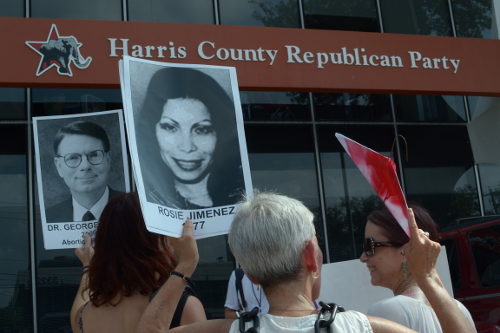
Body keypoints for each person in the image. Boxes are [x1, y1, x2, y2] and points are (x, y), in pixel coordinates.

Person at [135, 192, 476, 333]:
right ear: (311, 257)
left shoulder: (233, 329)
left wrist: (186, 266)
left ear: (250, 275)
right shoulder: (357, 327)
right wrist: (428, 276)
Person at [70, 192, 206, 333]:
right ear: (155, 240)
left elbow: (77, 314)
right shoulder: (184, 307)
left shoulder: (85, 314)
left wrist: (88, 267)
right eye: (166, 230)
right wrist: (186, 262)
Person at [135, 67, 244, 209]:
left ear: (220, 135)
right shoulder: (141, 209)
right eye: (170, 127)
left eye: (202, 130)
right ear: (153, 131)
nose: (187, 147)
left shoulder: (244, 204)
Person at [360, 203, 476, 332]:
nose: (363, 257)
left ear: (405, 252)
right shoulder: (460, 309)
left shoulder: (387, 310)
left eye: (369, 246)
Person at [46, 120, 123, 222]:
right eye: (73, 158)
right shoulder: (48, 218)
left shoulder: (135, 209)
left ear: (108, 159)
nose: (85, 166)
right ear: (59, 166)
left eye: (94, 155)